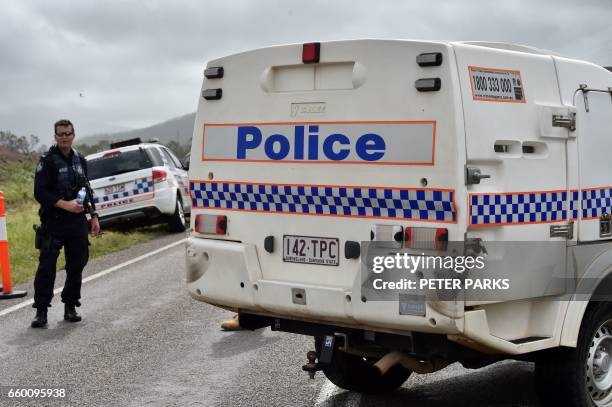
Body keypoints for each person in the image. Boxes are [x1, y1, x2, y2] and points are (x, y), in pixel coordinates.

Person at [31, 119, 100, 328]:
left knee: (77, 264)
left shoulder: (80, 159)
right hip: (54, 221)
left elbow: (87, 189)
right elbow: (39, 191)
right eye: (60, 134)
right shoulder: (47, 160)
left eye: (68, 133)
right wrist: (64, 205)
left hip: (77, 222)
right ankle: (41, 311)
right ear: (55, 136)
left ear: (73, 135)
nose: (64, 137)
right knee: (47, 267)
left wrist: (94, 216)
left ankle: (70, 306)